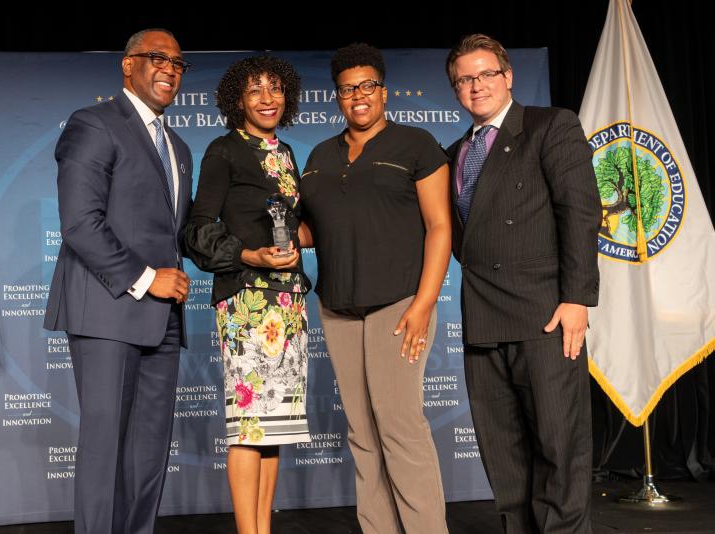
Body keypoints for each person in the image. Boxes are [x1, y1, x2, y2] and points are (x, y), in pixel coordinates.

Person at [444, 34, 600, 534]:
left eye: (486, 74)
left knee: (559, 452)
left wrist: (576, 298)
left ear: (507, 77)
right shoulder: (453, 153)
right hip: (483, 322)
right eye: (464, 79)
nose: (476, 86)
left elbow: (579, 212)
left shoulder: (550, 126)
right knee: (504, 458)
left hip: (546, 316)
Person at [43, 28, 192, 534]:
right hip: (107, 309)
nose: (169, 67)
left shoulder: (179, 147)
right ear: (128, 66)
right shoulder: (94, 124)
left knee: (149, 454)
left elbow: (176, 232)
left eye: (177, 62)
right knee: (106, 450)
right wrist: (148, 279)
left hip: (163, 319)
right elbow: (80, 222)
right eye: (157, 58)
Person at [300, 43, 451, 534]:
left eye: (367, 86)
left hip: (399, 304)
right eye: (347, 89)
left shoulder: (417, 145)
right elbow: (312, 230)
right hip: (339, 307)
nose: (357, 96)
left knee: (400, 429)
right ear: (337, 97)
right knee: (362, 435)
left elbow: (439, 227)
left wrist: (424, 303)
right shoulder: (321, 155)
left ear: (383, 91)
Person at [185, 56, 310, 534]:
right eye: (255, 90)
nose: (267, 99)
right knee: (249, 427)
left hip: (289, 302)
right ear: (237, 99)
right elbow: (196, 231)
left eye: (275, 89)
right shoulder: (224, 150)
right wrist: (252, 256)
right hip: (247, 302)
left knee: (273, 430)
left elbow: (292, 227)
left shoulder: (287, 154)